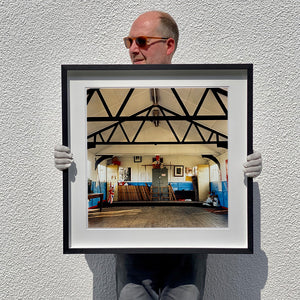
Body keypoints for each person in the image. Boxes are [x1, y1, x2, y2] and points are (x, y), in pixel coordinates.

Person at [54, 11, 262, 300]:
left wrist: (243, 165)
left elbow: (233, 142)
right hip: (131, 251)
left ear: (169, 45)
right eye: (128, 41)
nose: (132, 49)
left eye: (141, 40)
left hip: (189, 251)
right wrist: (72, 162)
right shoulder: (99, 90)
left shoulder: (211, 86)